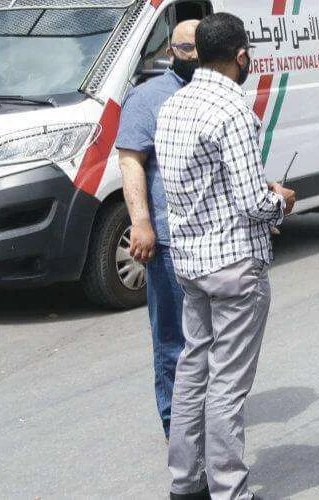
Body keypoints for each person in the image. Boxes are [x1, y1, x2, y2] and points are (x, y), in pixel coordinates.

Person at [155, 13, 296, 500]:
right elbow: (254, 202)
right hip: (235, 265)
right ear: (240, 56)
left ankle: (184, 483)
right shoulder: (233, 108)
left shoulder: (174, 104)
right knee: (227, 386)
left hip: (191, 263)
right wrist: (280, 199)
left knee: (192, 371)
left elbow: (196, 185)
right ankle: (229, 491)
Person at [115, 19, 200, 440]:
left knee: (210, 339)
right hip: (167, 241)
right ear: (170, 50)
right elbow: (131, 161)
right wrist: (141, 223)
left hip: (210, 240)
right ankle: (175, 425)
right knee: (171, 340)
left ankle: (202, 417)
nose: (194, 58)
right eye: (187, 50)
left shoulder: (215, 94)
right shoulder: (147, 99)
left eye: (201, 49)